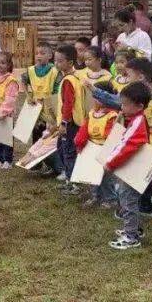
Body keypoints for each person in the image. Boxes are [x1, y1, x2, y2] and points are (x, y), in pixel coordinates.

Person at [89, 57, 152, 217]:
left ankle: (145, 206)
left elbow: (116, 101)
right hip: (146, 137)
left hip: (145, 139)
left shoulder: (140, 95)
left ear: (140, 76)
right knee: (142, 171)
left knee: (144, 173)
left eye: (129, 74)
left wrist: (95, 91)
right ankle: (144, 204)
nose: (126, 77)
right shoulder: (142, 92)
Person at [101, 81, 152, 250]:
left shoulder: (138, 122)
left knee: (128, 200)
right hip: (132, 167)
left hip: (132, 168)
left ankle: (131, 236)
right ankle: (134, 229)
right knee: (129, 200)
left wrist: (110, 163)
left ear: (139, 106)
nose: (121, 107)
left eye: (124, 104)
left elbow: (127, 145)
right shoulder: (134, 119)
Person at [73, 88, 120, 208]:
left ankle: (110, 198)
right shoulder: (92, 113)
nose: (93, 101)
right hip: (91, 147)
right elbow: (84, 129)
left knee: (106, 176)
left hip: (105, 148)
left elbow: (111, 134)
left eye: (95, 99)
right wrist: (79, 142)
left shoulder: (112, 116)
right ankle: (96, 196)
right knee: (92, 173)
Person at [22, 43, 59, 165]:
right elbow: (23, 81)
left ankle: (49, 163)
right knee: (36, 133)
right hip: (35, 109)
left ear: (50, 55)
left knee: (49, 136)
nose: (39, 56)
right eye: (37, 53)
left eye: (42, 53)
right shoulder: (31, 70)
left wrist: (48, 100)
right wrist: (28, 96)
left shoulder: (55, 71)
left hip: (50, 109)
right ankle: (35, 163)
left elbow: (57, 89)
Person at [52, 44, 80, 190]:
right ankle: (70, 179)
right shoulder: (75, 77)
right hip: (72, 122)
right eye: (55, 60)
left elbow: (69, 103)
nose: (56, 63)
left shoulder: (68, 80)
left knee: (68, 152)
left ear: (70, 62)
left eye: (60, 61)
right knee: (63, 149)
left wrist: (64, 123)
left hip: (69, 123)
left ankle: (72, 183)